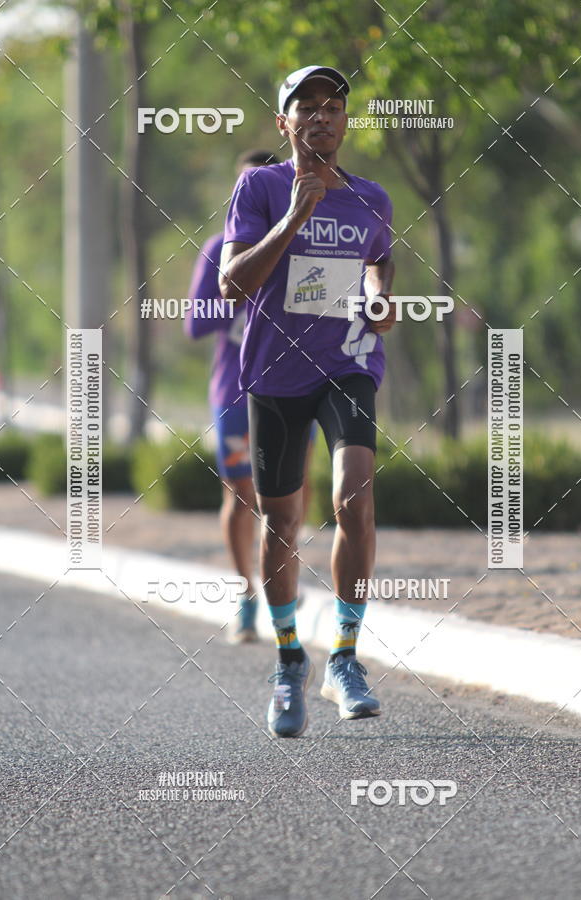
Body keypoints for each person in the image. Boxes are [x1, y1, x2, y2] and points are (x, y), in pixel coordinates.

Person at [219, 66, 395, 737]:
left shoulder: (371, 197)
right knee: (282, 521)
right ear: (283, 122)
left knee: (354, 495)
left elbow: (384, 254)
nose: (323, 117)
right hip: (273, 373)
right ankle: (291, 661)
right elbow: (233, 283)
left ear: (346, 122)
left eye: (335, 107)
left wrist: (378, 293)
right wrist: (296, 214)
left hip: (347, 363)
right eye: (308, 107)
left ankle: (345, 659)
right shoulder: (259, 187)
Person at [185, 150, 316, 644]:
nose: (249, 198)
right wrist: (244, 290)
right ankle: (244, 594)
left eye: (259, 188)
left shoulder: (299, 243)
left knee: (290, 500)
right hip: (236, 393)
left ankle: (284, 588)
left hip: (290, 388)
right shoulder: (221, 247)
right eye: (242, 188)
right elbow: (195, 322)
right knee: (242, 495)